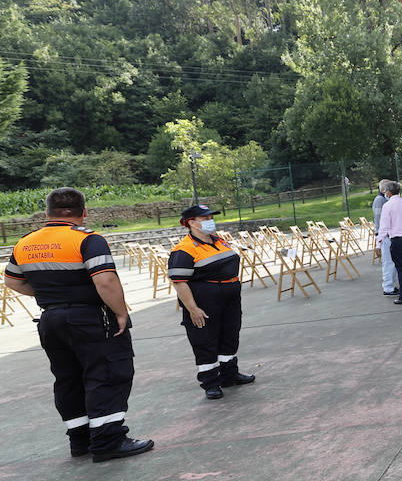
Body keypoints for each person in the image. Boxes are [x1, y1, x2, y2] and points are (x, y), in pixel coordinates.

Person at [3, 188, 153, 462]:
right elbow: (105, 281)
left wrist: (52, 295)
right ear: (83, 213)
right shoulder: (88, 240)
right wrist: (120, 312)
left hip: (50, 319)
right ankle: (108, 441)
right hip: (90, 318)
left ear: (47, 213)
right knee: (106, 373)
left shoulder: (25, 242)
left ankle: (80, 440)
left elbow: (12, 281)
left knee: (68, 378)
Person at [168, 205, 256, 400]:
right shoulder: (184, 249)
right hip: (204, 302)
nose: (210, 220)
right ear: (191, 222)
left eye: (211, 217)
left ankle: (229, 375)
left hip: (230, 298)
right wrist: (192, 309)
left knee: (230, 335)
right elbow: (179, 282)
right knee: (205, 341)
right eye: (205, 217)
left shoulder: (219, 240)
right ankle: (210, 383)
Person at [372, 181, 397, 295]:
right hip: (384, 236)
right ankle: (388, 288)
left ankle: (390, 285)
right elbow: (379, 220)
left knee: (392, 262)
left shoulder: (385, 200)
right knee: (388, 263)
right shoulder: (379, 200)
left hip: (389, 235)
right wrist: (379, 237)